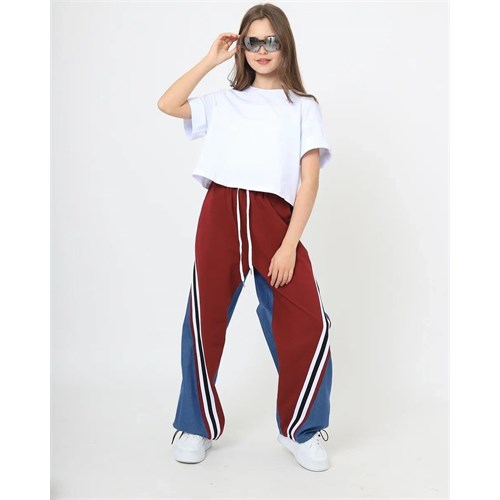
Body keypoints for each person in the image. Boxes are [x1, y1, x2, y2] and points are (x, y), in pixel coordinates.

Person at [157, 3, 334, 472]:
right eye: (252, 41)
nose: (261, 49)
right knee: (205, 320)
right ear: (242, 47)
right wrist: (210, 60)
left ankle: (302, 430)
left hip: (275, 220)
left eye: (270, 40)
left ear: (285, 45)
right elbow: (168, 104)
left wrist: (289, 244)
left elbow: (309, 182)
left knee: (309, 324)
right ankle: (194, 426)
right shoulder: (224, 101)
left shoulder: (304, 107)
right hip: (221, 214)